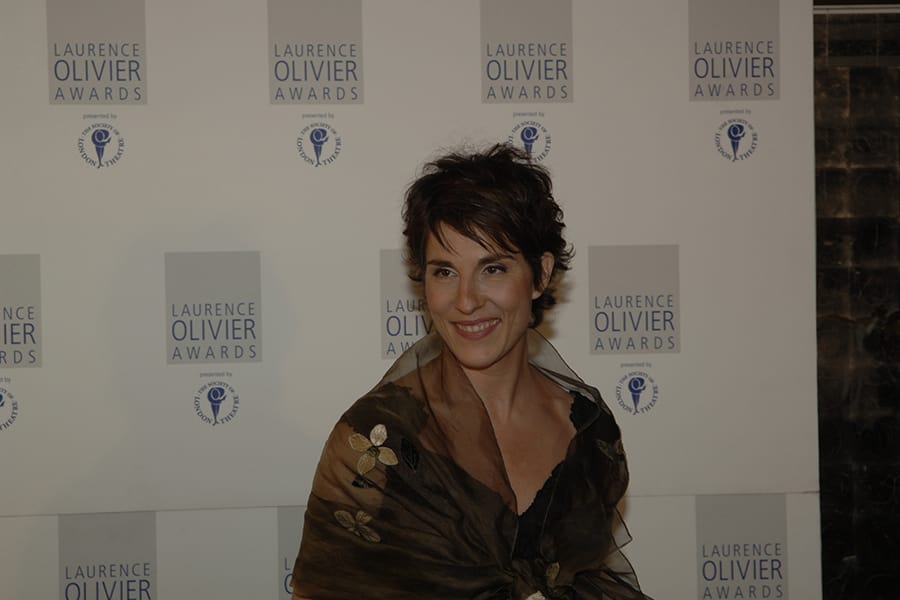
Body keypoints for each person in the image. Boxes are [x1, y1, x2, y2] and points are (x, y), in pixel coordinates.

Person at [290, 144, 651, 599]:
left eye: (492, 268)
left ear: (540, 275)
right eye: (444, 272)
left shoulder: (589, 430)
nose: (465, 301)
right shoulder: (376, 438)